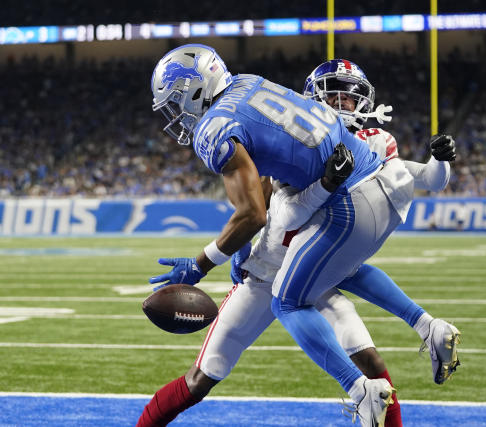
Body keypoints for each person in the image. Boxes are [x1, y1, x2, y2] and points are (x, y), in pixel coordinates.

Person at [141, 44, 453, 426]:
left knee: (362, 358)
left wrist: (203, 263)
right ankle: (421, 329)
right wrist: (239, 253)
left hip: (310, 255)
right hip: (276, 264)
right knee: (202, 377)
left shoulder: (219, 126)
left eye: (176, 101)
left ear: (194, 89)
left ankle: (375, 380)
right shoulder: (252, 88)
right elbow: (267, 193)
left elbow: (255, 212)